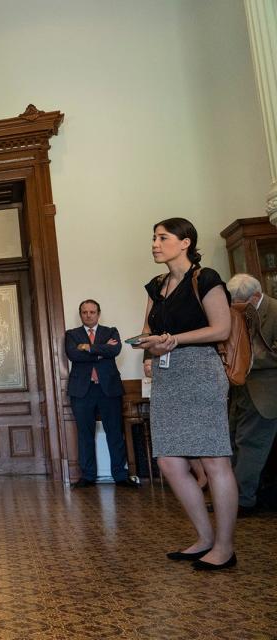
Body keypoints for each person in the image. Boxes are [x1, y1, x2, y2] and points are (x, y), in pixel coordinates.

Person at [134, 217, 237, 570]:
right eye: (153, 237)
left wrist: (175, 340)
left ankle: (225, 547)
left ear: (185, 242)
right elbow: (147, 328)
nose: (155, 244)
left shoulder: (205, 278)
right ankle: (204, 538)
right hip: (168, 375)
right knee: (169, 461)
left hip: (201, 371)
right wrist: (150, 348)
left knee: (213, 459)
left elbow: (221, 328)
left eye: (162, 237)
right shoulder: (156, 285)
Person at [65, 299, 137, 488]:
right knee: (84, 434)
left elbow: (115, 349)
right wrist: (102, 350)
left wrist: (88, 348)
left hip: (109, 389)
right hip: (82, 390)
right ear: (80, 314)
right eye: (84, 312)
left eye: (92, 312)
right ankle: (88, 476)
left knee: (114, 431)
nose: (88, 315)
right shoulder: (72, 334)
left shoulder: (110, 331)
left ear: (98, 313)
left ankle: (120, 475)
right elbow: (73, 355)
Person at [226, 274, 277, 517]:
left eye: (240, 302)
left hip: (266, 394)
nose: (235, 307)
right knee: (234, 442)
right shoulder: (241, 309)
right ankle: (233, 498)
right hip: (240, 391)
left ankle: (243, 502)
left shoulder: (275, 310)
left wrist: (245, 359)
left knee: (250, 446)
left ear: (255, 296)